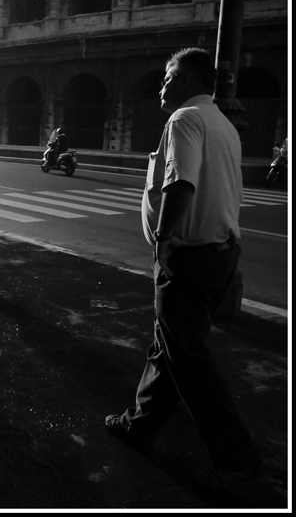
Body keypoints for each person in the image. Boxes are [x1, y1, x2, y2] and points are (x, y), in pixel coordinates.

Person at [104, 47, 261, 492]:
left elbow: (182, 184)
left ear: (190, 80)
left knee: (189, 360)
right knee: (168, 346)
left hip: (189, 256)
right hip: (218, 252)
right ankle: (139, 424)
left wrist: (164, 240)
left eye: (168, 77)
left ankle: (238, 459)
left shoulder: (184, 120)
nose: (161, 85)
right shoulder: (224, 125)